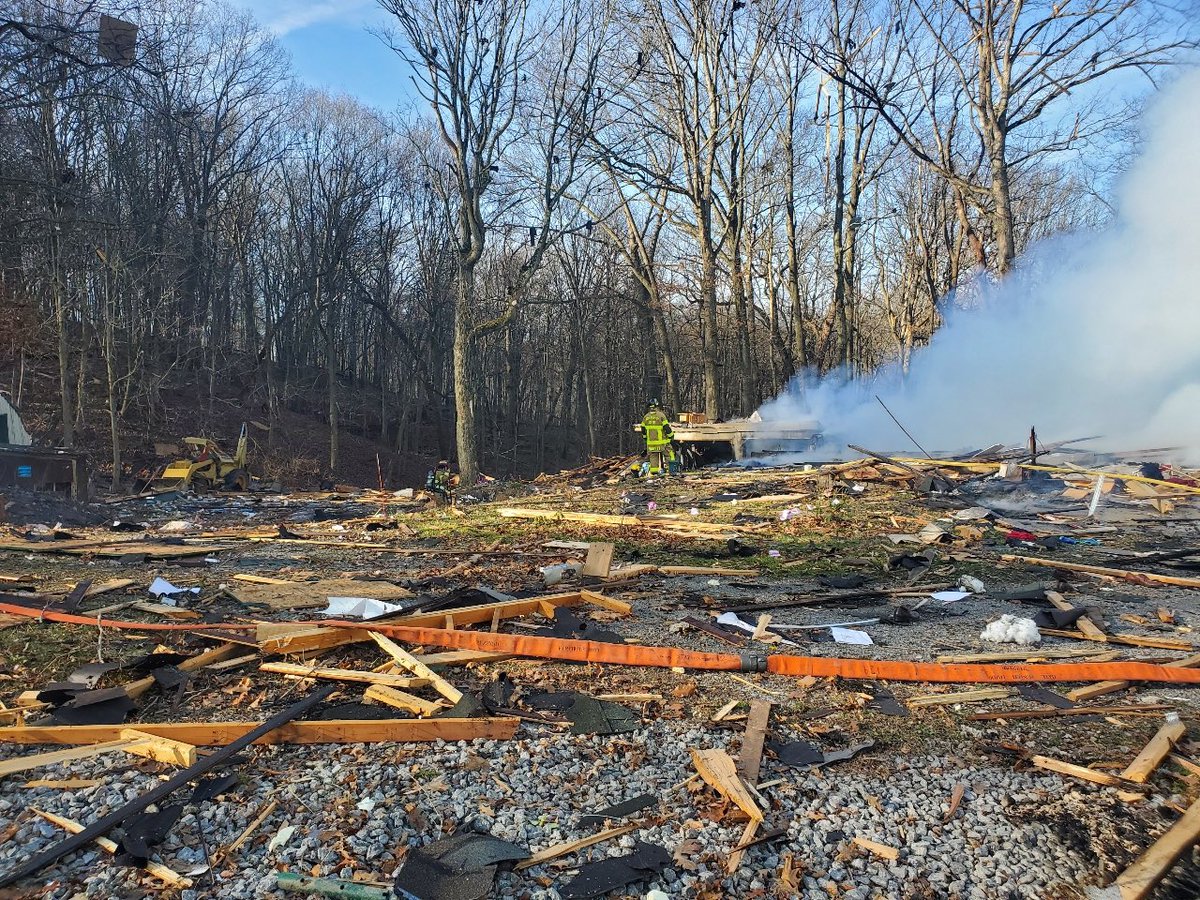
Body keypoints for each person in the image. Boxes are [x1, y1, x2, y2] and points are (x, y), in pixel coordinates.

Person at [632, 400, 680, 476]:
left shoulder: (646, 417)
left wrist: (646, 439)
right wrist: (671, 437)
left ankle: (654, 472)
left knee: (653, 458)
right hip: (662, 443)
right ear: (657, 407)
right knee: (670, 454)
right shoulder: (661, 416)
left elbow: (643, 430)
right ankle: (672, 471)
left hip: (651, 444)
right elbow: (667, 428)